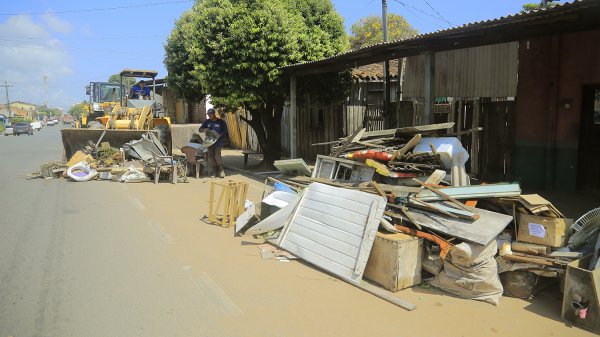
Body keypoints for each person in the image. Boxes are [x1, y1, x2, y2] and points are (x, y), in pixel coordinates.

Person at [199, 108, 228, 178]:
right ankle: (214, 171)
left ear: (213, 114)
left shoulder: (220, 122)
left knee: (217, 156)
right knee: (210, 156)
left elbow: (225, 131)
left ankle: (221, 171)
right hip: (209, 141)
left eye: (210, 114)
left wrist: (218, 135)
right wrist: (204, 129)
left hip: (218, 141)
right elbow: (200, 129)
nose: (209, 116)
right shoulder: (207, 122)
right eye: (208, 114)